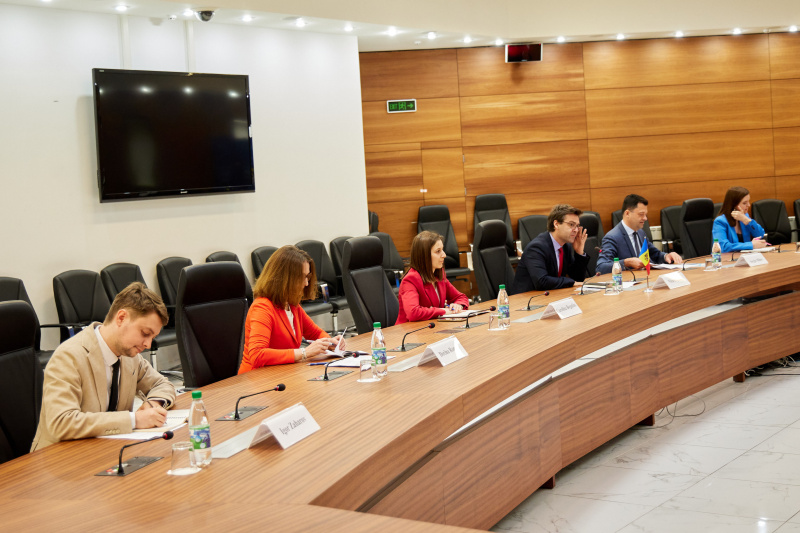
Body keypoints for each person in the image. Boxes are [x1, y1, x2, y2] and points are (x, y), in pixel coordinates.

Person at [31, 282, 176, 450]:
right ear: (121, 318)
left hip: (106, 449)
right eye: (145, 333)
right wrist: (134, 420)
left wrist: (154, 403)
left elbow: (162, 384)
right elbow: (62, 422)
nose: (148, 344)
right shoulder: (69, 356)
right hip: (59, 459)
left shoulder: (129, 354)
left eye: (152, 337)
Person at [238, 245, 344, 373]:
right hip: (257, 379)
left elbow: (316, 334)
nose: (306, 283)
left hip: (282, 373)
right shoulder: (262, 307)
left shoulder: (292, 305)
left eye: (307, 277)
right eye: (302, 277)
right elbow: (257, 355)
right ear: (285, 279)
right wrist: (304, 352)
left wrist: (330, 342)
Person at [510, 204, 589, 294]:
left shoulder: (565, 246)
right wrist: (570, 282)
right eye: (571, 225)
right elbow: (542, 281)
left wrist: (579, 253)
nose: (576, 230)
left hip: (550, 295)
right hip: (526, 300)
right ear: (556, 224)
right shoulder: (536, 248)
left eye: (577, 226)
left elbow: (577, 279)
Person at [396, 230, 469, 324]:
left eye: (442, 250)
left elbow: (461, 297)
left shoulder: (439, 274)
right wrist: (443, 311)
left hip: (431, 328)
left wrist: (458, 305)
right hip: (408, 333)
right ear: (424, 256)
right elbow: (413, 312)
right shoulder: (411, 279)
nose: (444, 255)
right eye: (438, 251)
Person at [597, 194, 682, 274]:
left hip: (646, 278)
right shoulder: (612, 237)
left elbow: (654, 254)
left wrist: (667, 256)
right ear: (627, 213)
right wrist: (626, 263)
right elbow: (601, 267)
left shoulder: (641, 232)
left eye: (646, 215)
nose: (645, 218)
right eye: (641, 214)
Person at [712, 186, 767, 252]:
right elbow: (723, 247)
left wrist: (746, 220)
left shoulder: (744, 216)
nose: (749, 205)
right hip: (726, 260)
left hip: (745, 258)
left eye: (748, 201)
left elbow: (760, 235)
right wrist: (751, 245)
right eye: (744, 203)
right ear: (733, 205)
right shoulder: (720, 221)